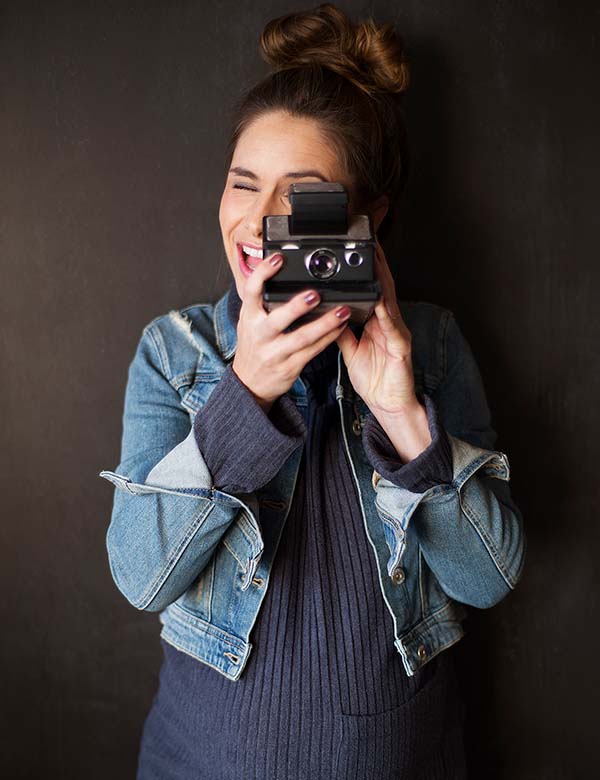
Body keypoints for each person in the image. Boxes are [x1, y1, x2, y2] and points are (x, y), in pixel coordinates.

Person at [99, 4, 525, 778]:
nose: (260, 222)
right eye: (243, 184)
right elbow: (140, 578)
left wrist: (401, 414)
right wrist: (247, 393)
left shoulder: (429, 346)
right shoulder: (176, 351)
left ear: (365, 219)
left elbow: (489, 579)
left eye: (302, 197)